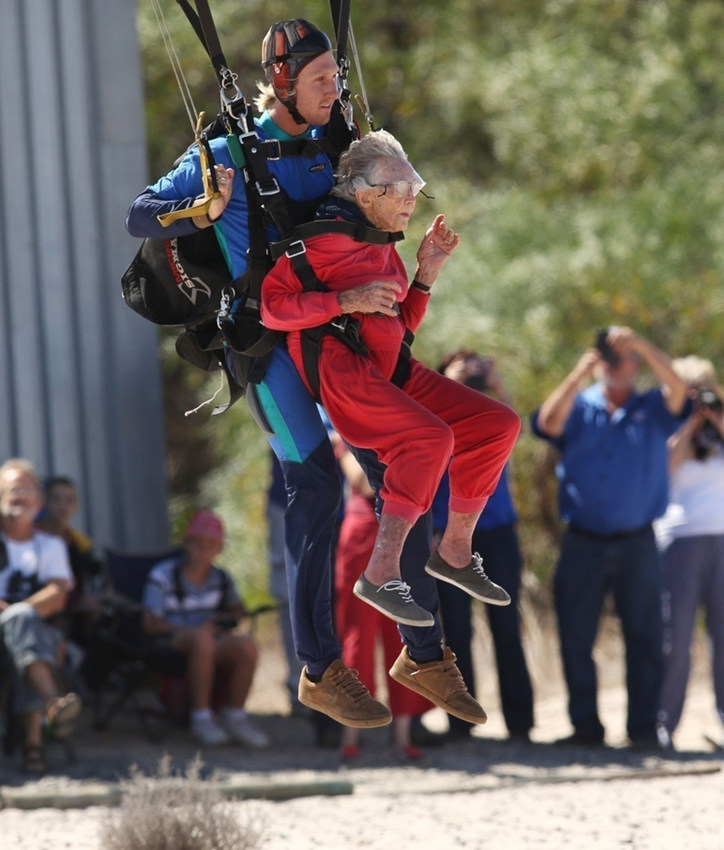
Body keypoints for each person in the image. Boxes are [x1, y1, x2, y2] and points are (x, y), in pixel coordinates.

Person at [126, 19, 484, 732]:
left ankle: (425, 654)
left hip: (338, 339)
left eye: (337, 78)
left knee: (401, 475)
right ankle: (320, 671)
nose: (335, 89)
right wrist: (207, 205)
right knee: (315, 485)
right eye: (322, 80)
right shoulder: (223, 152)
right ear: (283, 82)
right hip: (266, 345)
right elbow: (141, 216)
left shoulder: (336, 141)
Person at [262, 128, 521, 715]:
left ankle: (454, 549)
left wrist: (425, 272)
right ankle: (381, 573)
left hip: (393, 371)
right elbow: (275, 307)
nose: (410, 197)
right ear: (360, 191)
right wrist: (341, 303)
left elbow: (398, 329)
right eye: (397, 186)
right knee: (431, 439)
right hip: (346, 376)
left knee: (497, 425)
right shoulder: (320, 243)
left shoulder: (382, 242)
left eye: (414, 185)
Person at [531, 325, 689, 748]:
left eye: (626, 357)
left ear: (638, 364)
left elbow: (680, 388)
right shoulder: (579, 407)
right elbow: (546, 423)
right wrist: (580, 371)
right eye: (610, 357)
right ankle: (585, 728)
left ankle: (641, 729)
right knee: (576, 636)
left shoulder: (653, 407)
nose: (617, 363)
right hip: (582, 541)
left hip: (638, 543)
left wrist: (641, 342)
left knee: (646, 638)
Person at [432, 349, 534, 742]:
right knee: (456, 632)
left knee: (507, 628)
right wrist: (450, 386)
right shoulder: (436, 416)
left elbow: (513, 428)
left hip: (497, 532)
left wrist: (493, 384)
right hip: (449, 533)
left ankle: (521, 725)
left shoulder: (493, 413)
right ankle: (461, 723)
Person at [333, 440, 433, 762]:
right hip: (364, 538)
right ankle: (351, 734)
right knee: (357, 636)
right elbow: (362, 482)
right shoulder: (347, 434)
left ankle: (403, 736)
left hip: (404, 535)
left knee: (404, 636)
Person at [141, 510, 268, 748]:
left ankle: (234, 716)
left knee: (247, 646)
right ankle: (201, 717)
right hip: (170, 641)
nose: (203, 551)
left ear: (219, 549)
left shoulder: (222, 579)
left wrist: (226, 619)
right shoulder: (162, 575)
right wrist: (196, 630)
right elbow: (150, 624)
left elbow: (238, 611)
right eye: (197, 543)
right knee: (203, 640)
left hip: (210, 640)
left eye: (210, 545)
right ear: (185, 543)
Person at [653, 357, 724, 749]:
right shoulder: (667, 425)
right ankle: (665, 724)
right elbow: (664, 466)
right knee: (676, 637)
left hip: (722, 537)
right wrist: (691, 422)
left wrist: (715, 418)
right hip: (680, 539)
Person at [0, 458, 82, 774]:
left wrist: (17, 614)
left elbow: (58, 596)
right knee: (27, 633)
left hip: (34, 633)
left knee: (26, 636)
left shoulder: (49, 545)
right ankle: (49, 710)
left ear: (39, 500)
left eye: (28, 489)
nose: (21, 496)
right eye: (13, 489)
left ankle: (37, 737)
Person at [35, 476, 104, 648]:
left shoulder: (79, 545)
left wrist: (85, 599)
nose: (62, 506)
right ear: (43, 502)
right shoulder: (31, 539)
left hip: (72, 614)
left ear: (76, 506)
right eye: (56, 499)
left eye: (69, 500)